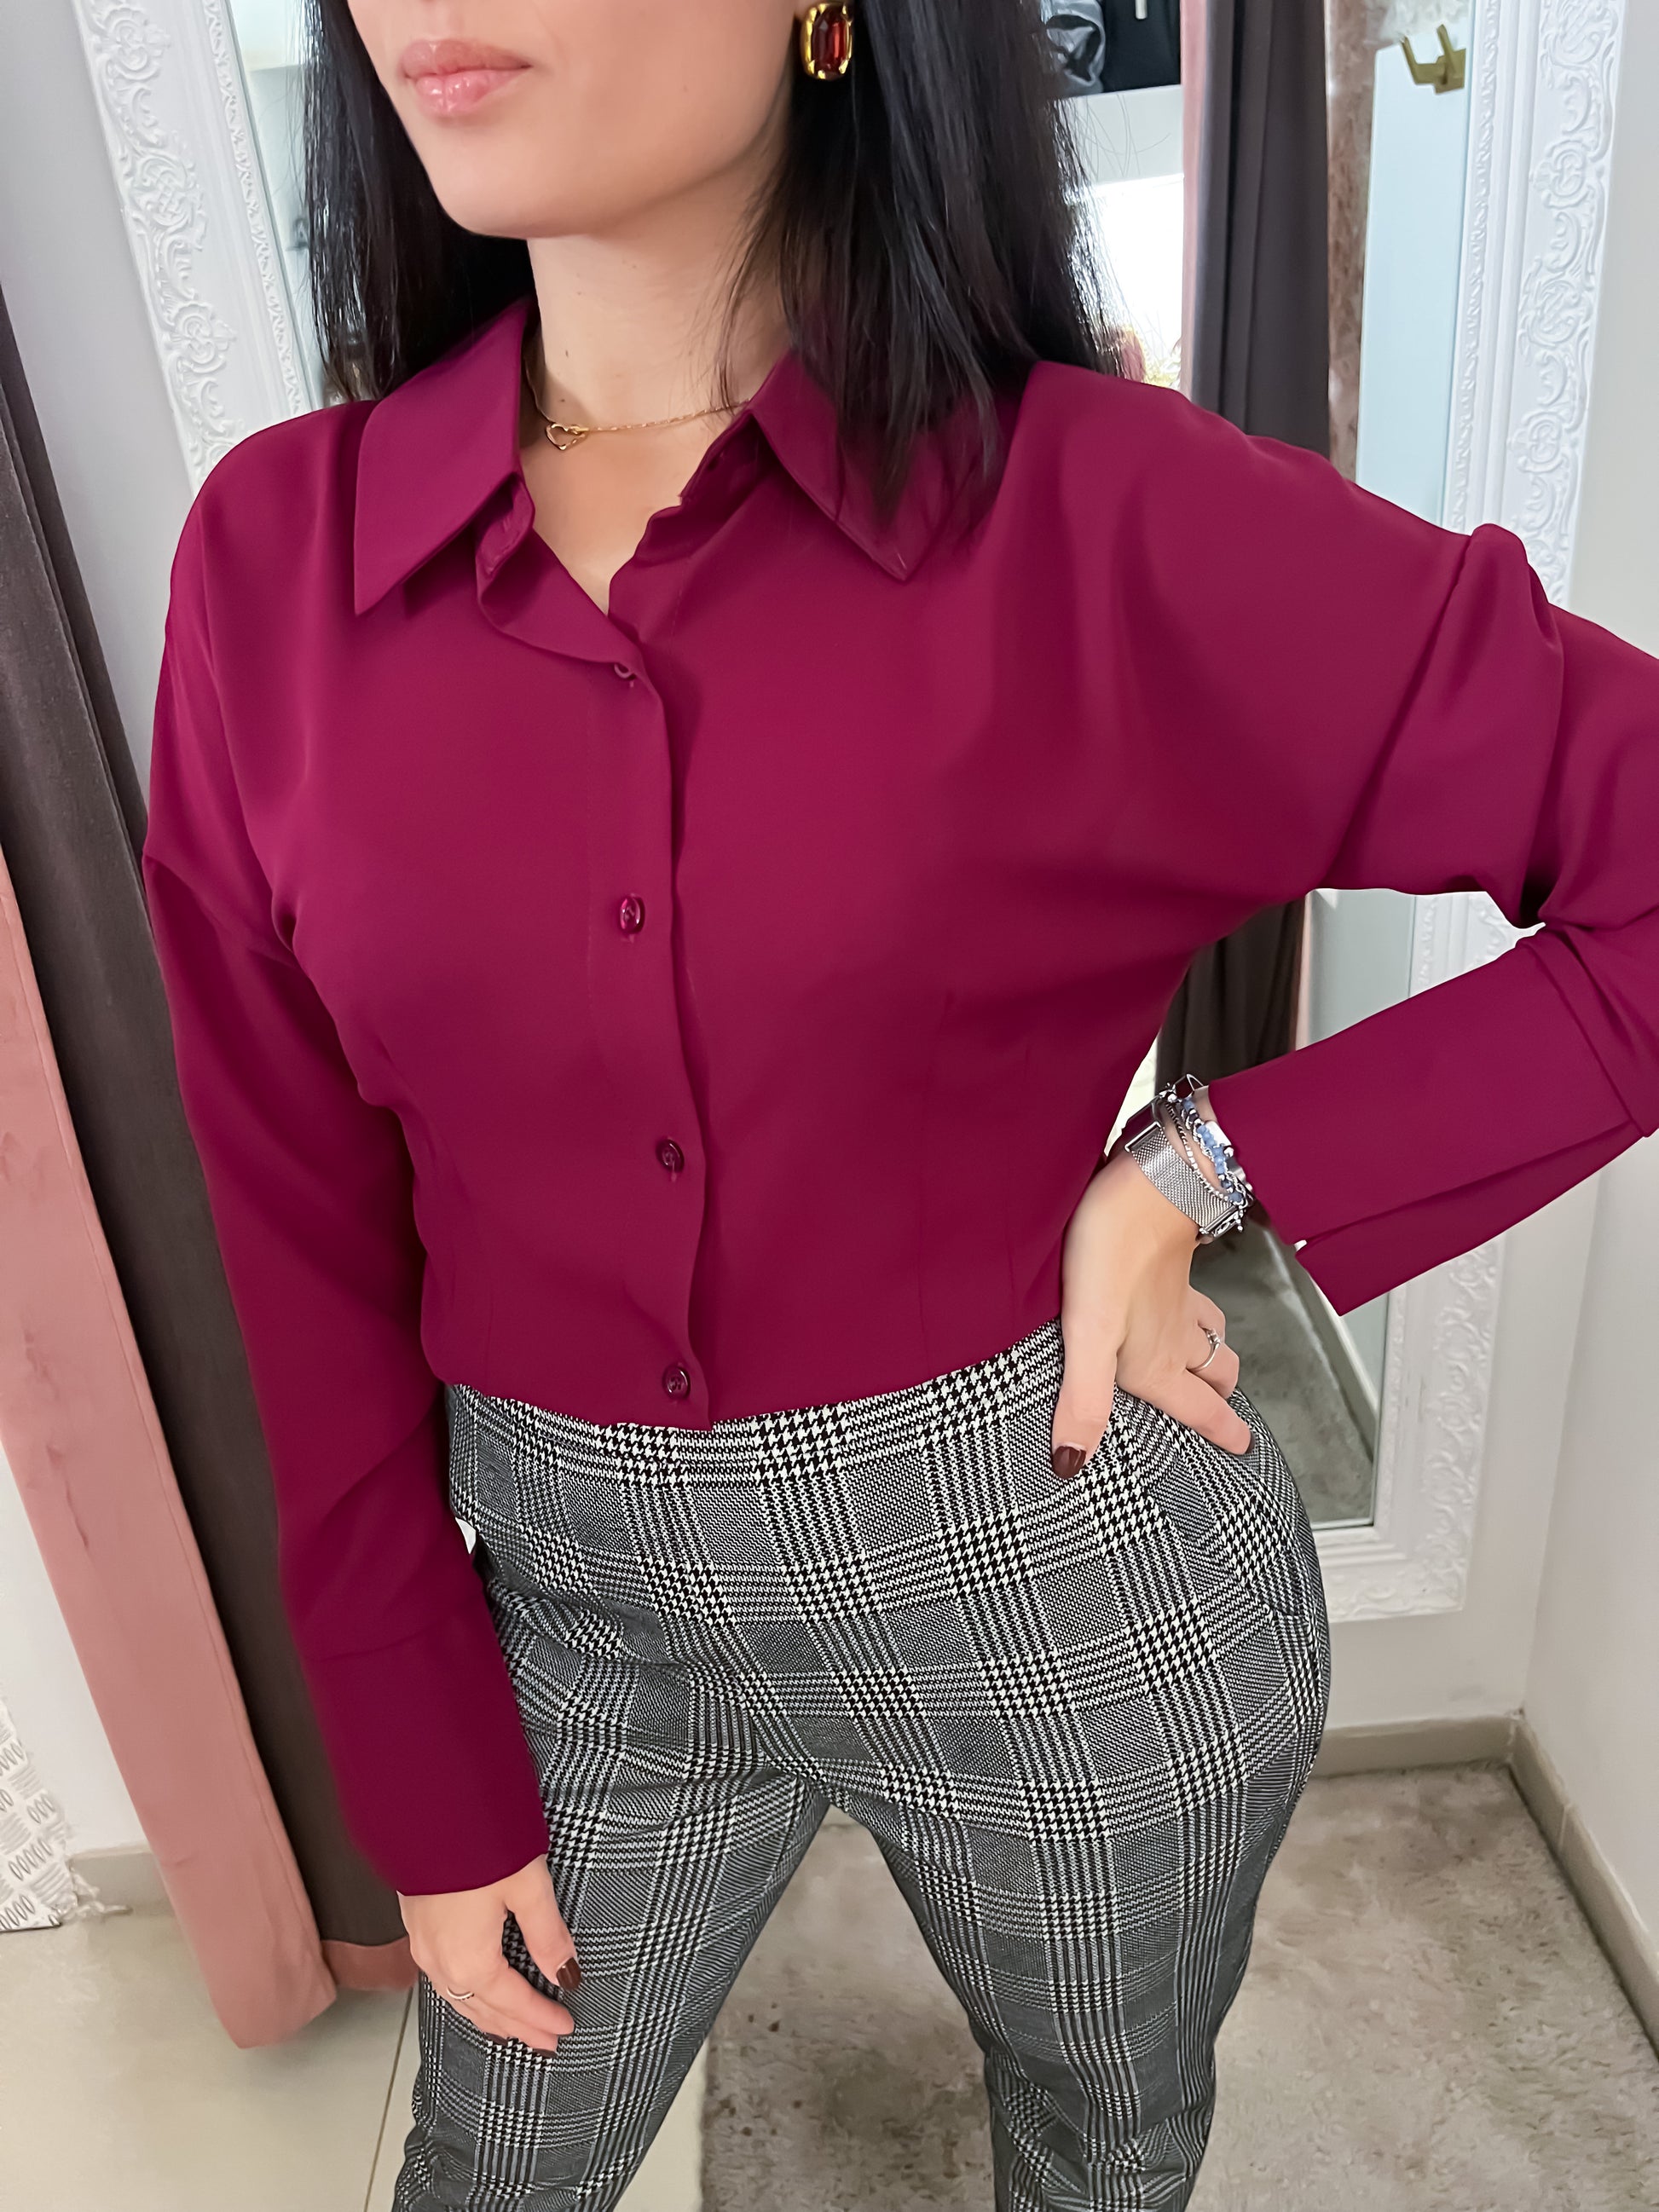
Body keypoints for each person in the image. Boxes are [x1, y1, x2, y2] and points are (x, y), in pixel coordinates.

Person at [139, 3, 1659, 2206]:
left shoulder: (1107, 519)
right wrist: (414, 1752)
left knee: (1103, 2143)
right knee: (492, 2164)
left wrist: (1208, 1166)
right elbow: (291, 1228)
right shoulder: (273, 566)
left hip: (1066, 1577)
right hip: (569, 1620)